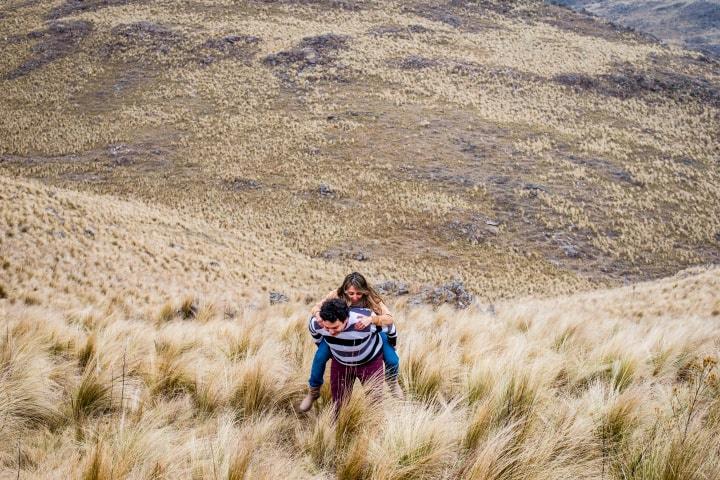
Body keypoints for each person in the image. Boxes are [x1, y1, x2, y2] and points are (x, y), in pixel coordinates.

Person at [298, 272, 402, 412]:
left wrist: (372, 320)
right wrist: (320, 319)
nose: (354, 297)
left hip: (372, 329)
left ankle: (392, 381)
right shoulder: (335, 294)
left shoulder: (371, 297)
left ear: (364, 291)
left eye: (359, 294)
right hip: (335, 334)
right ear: (345, 290)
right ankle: (313, 393)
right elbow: (315, 308)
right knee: (320, 357)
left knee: (392, 359)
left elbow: (389, 319)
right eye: (351, 293)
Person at [306, 298, 386, 410]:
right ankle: (339, 426)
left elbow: (387, 329)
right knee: (339, 403)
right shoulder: (317, 324)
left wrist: (392, 345)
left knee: (375, 402)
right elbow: (317, 338)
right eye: (327, 328)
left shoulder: (365, 321)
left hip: (370, 362)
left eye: (335, 327)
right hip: (340, 363)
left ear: (346, 319)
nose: (331, 332)